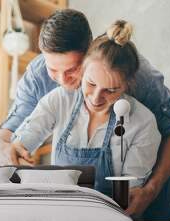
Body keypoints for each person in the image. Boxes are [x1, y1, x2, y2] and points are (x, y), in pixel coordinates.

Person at [0, 9, 170, 221]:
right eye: (53, 69)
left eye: (72, 70)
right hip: (75, 213)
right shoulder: (39, 76)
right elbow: (5, 138)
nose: (63, 81)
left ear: (89, 53)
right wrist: (7, 152)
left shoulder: (132, 72)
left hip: (146, 196)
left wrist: (151, 189)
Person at [12, 20, 161, 203]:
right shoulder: (59, 100)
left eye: (111, 90)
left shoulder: (143, 123)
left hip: (109, 217)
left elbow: (129, 192)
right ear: (82, 70)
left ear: (127, 85)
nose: (96, 98)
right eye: (90, 83)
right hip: (59, 211)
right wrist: (18, 149)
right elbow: (25, 139)